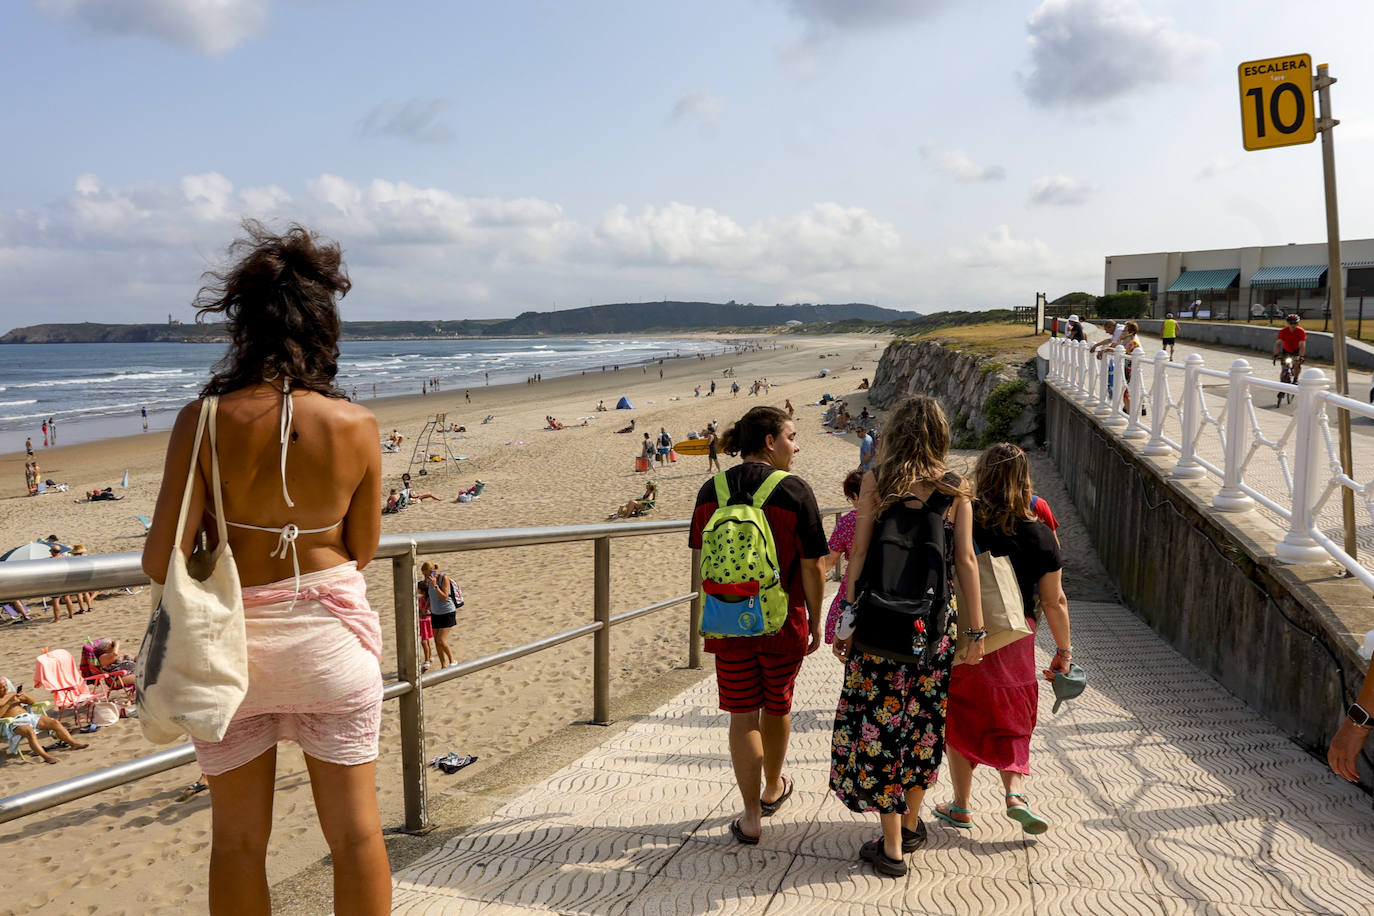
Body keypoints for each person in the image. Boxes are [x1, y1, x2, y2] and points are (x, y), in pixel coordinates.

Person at [140, 222, 389, 914]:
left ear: (243, 323)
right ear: (321, 323)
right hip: (328, 644)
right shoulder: (357, 426)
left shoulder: (203, 420)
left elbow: (159, 559)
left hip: (229, 654)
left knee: (240, 844)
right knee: (357, 837)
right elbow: (361, 549)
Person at [830, 394, 985, 878]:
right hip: (931, 629)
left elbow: (856, 558)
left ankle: (892, 846)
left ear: (895, 434)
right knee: (920, 726)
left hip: (879, 623)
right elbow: (966, 561)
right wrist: (976, 632)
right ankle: (911, 824)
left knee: (878, 726)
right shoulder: (956, 487)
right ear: (940, 435)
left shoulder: (879, 480)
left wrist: (846, 620)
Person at [688, 406, 827, 846]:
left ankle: (751, 818)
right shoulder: (795, 491)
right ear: (769, 442)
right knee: (778, 707)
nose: (796, 444)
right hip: (781, 622)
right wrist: (817, 622)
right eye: (791, 436)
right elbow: (814, 567)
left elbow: (700, 553)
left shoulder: (712, 489)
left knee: (742, 714)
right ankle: (772, 788)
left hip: (727, 621)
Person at [937, 443, 1073, 837]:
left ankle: (961, 805)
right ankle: (1015, 794)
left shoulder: (963, 520)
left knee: (961, 712)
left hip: (969, 629)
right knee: (1012, 712)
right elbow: (1055, 601)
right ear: (1024, 478)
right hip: (1017, 635)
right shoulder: (1040, 534)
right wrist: (1063, 651)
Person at [0, 677, 90, 764]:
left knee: (55, 723)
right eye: (2, 687)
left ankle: (74, 744)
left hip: (29, 717)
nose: (5, 689)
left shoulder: (12, 694)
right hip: (12, 722)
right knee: (30, 732)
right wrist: (9, 702)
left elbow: (32, 702)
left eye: (6, 686)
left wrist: (25, 697)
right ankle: (46, 757)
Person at [822, 469, 864, 644]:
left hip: (853, 588)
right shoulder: (890, 517)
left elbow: (831, 560)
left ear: (855, 495)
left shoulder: (848, 522)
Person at [421, 561, 457, 669]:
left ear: (432, 571)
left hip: (447, 612)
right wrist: (426, 608)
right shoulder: (428, 581)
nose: (426, 577)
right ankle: (443, 665)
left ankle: (452, 660)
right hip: (435, 614)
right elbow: (430, 597)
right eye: (424, 575)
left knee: (441, 639)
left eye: (426, 574)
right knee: (436, 641)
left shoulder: (443, 578)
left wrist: (435, 585)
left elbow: (445, 597)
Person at [1273, 313, 1307, 382]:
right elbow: (1278, 344)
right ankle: (1282, 384)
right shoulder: (1283, 331)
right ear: (1288, 323)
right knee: (1283, 368)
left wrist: (1301, 356)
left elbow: (1302, 345)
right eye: (1291, 323)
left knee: (1297, 364)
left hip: (1296, 350)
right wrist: (1276, 354)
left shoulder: (1301, 331)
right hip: (1286, 350)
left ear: (1297, 323)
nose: (1293, 325)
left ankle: (1295, 379)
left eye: (1295, 323)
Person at [417, 580, 435, 673]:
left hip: (426, 621)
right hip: (422, 621)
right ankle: (430, 656)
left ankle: (427, 660)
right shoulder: (420, 599)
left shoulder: (429, 599)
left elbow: (427, 612)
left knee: (424, 642)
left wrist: (423, 613)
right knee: (426, 640)